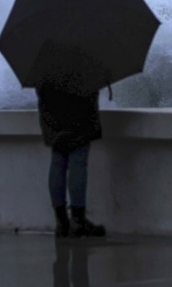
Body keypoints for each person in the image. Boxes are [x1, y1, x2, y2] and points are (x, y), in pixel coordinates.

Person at [35, 41, 107, 238]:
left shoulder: (43, 47)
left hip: (51, 108)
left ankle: (61, 222)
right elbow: (91, 80)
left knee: (58, 161)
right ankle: (78, 219)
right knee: (78, 161)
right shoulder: (81, 45)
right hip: (78, 109)